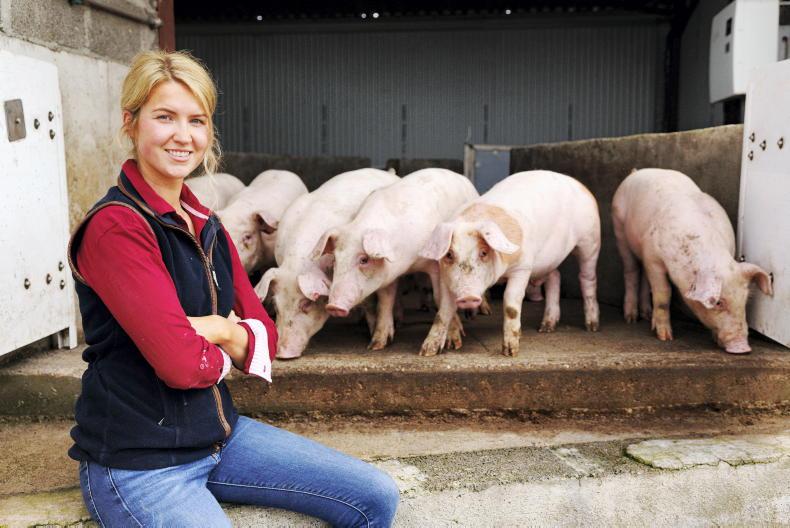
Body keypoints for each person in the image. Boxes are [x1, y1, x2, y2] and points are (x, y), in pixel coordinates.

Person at [67, 50, 400, 527]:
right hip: (141, 462)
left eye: (196, 120)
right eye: (165, 117)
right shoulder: (117, 227)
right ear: (131, 123)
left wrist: (218, 332)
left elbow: (265, 339)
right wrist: (227, 339)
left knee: (375, 494)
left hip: (221, 438)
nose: (183, 135)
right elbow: (181, 366)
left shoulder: (208, 224)